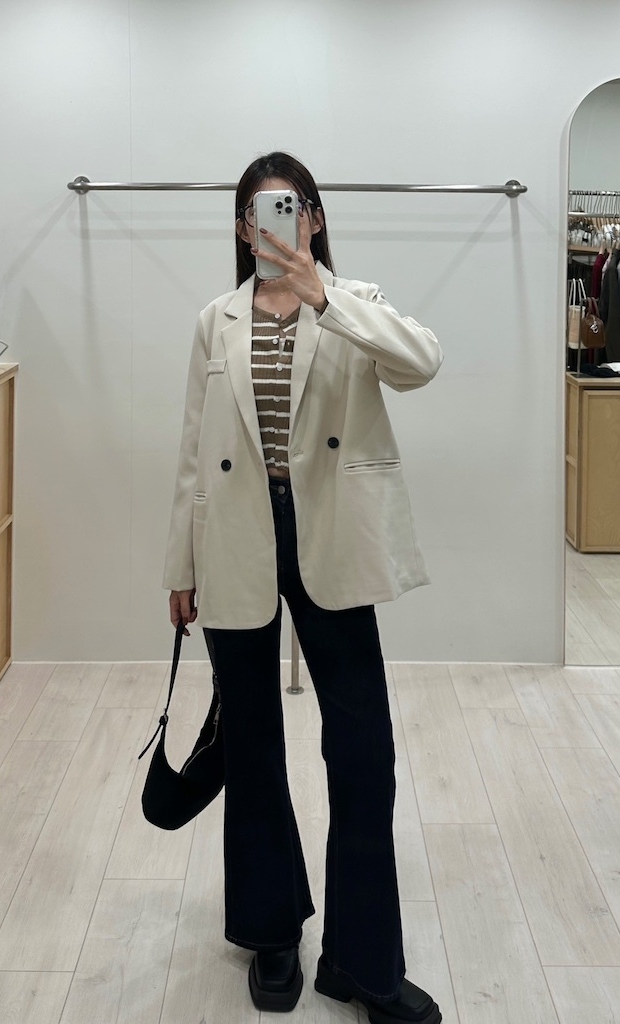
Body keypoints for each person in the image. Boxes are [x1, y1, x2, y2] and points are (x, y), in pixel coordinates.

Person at [163, 152, 443, 1023]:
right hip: (236, 537)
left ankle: (362, 961)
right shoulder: (215, 320)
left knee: (361, 750)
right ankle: (271, 930)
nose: (274, 223)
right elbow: (191, 453)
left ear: (313, 219)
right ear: (243, 229)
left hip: (332, 536)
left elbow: (423, 363)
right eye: (258, 212)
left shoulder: (355, 302)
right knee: (251, 741)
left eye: (289, 208)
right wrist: (180, 567)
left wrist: (326, 295)